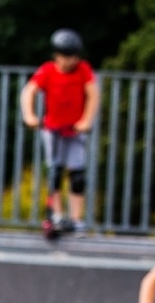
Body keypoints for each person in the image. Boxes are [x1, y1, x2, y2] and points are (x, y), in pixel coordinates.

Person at [20, 28, 99, 234]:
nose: (70, 61)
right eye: (66, 57)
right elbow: (29, 91)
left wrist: (86, 120)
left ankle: (76, 219)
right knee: (54, 172)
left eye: (73, 56)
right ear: (57, 55)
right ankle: (56, 214)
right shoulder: (47, 71)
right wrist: (29, 115)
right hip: (53, 129)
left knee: (77, 176)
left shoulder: (83, 70)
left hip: (74, 130)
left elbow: (93, 94)